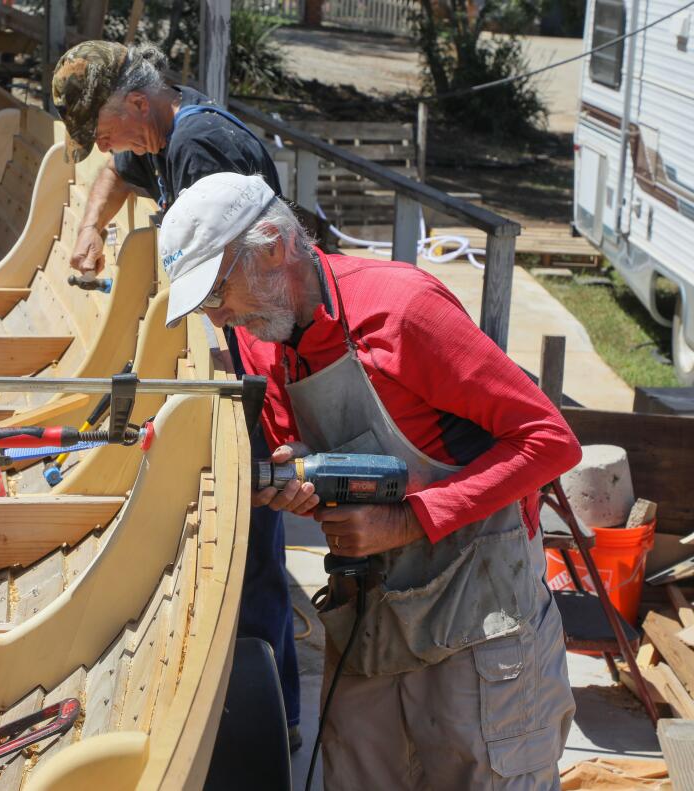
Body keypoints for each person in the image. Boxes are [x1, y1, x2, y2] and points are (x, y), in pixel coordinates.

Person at [159, 171, 580, 790]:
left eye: (218, 291)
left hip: (480, 613)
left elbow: (548, 441)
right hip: (377, 612)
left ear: (273, 247)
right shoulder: (264, 337)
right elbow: (294, 445)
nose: (219, 315)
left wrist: (409, 518)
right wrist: (293, 477)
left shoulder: (403, 311)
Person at [50, 40, 305, 750]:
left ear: (135, 105)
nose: (102, 147)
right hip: (231, 353)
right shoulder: (159, 134)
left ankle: (271, 713)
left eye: (100, 128)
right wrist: (90, 228)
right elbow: (115, 172)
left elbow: (225, 272)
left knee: (253, 538)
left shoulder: (199, 150)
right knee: (251, 532)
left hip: (249, 360)